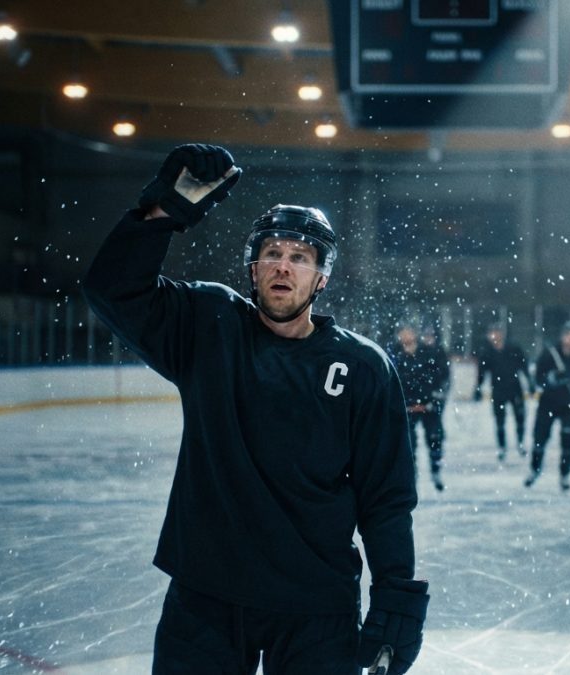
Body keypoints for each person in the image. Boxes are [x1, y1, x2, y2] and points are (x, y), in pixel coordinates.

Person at [82, 144, 428, 675]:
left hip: (317, 606)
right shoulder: (209, 325)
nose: (283, 265)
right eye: (272, 252)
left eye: (301, 256)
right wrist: (161, 213)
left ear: (321, 278)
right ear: (253, 267)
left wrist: (395, 597)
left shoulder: (363, 366)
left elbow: (386, 498)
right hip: (207, 596)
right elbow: (112, 290)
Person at [525, 320, 570, 490]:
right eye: (568, 335)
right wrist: (551, 379)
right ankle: (535, 469)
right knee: (539, 438)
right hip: (548, 404)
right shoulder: (550, 354)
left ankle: (564, 475)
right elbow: (538, 379)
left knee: (568, 442)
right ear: (562, 336)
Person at [388, 321, 451, 492]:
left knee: (435, 438)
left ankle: (436, 470)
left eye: (408, 331)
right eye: (402, 332)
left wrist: (437, 396)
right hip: (406, 406)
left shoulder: (429, 353)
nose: (405, 335)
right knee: (408, 443)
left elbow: (442, 374)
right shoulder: (394, 355)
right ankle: (411, 473)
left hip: (429, 404)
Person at [473, 323, 533, 461]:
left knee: (520, 417)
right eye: (492, 333)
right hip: (498, 390)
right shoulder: (487, 352)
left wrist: (530, 383)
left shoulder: (514, 348)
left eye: (497, 332)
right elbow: (482, 372)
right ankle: (502, 447)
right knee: (500, 420)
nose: (495, 336)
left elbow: (523, 366)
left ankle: (520, 443)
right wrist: (478, 388)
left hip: (515, 388)